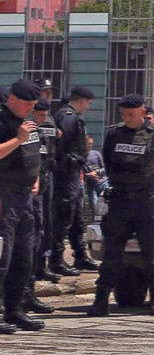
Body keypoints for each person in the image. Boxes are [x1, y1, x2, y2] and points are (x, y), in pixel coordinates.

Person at [87, 94, 154, 317]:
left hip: (147, 201)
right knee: (112, 253)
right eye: (123, 114)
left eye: (130, 114)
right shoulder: (114, 134)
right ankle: (101, 300)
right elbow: (108, 162)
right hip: (120, 201)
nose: (126, 118)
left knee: (152, 252)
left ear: (142, 112)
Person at [0, 79, 46, 332]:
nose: (30, 109)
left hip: (25, 196)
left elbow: (35, 155)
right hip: (3, 195)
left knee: (23, 256)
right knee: (2, 256)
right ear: (13, 99)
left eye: (33, 105)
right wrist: (18, 138)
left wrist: (35, 179)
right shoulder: (5, 123)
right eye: (27, 104)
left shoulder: (27, 125)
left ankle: (15, 310)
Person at [51, 86, 97, 276]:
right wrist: (74, 160)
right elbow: (60, 148)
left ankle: (80, 255)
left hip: (73, 173)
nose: (87, 107)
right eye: (87, 103)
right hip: (66, 174)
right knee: (64, 216)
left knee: (76, 217)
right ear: (81, 100)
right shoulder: (68, 117)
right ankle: (56, 260)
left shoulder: (70, 116)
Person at [22, 99, 58, 316]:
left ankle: (27, 295)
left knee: (34, 242)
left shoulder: (38, 133)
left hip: (38, 193)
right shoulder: (17, 129)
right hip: (18, 194)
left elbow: (41, 161)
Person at [31, 90, 61, 285]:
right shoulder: (22, 129)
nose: (42, 119)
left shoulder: (49, 124)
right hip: (27, 187)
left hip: (45, 179)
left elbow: (55, 148)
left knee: (43, 228)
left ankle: (40, 268)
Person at [84, 142, 109, 218]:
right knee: (96, 211)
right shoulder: (80, 157)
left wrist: (97, 172)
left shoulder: (96, 154)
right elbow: (80, 174)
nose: (90, 145)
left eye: (91, 143)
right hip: (92, 187)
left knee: (108, 207)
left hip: (103, 183)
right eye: (88, 143)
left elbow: (105, 168)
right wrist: (89, 175)